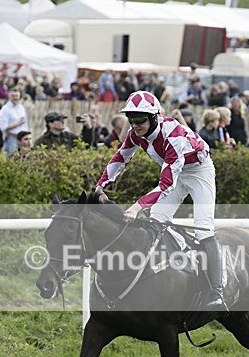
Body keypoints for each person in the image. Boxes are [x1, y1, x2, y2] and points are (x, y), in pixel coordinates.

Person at [95, 90, 227, 312]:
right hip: (177, 172)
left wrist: (137, 206)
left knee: (203, 229)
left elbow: (166, 185)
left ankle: (217, 292)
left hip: (199, 172)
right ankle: (165, 272)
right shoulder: (135, 134)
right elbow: (121, 157)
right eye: (131, 119)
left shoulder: (172, 135)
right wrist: (100, 186)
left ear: (154, 117)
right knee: (156, 220)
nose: (135, 125)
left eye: (140, 119)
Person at [0, 89, 27, 156]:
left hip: (23, 138)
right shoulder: (5, 109)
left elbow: (25, 123)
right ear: (9, 96)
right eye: (13, 96)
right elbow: (3, 127)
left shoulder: (21, 107)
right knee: (11, 158)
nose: (15, 98)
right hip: (12, 137)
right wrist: (18, 123)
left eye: (16, 95)